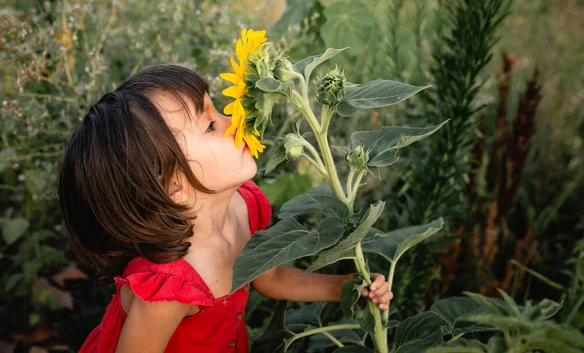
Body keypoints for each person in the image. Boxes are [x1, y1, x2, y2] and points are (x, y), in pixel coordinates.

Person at [57, 64, 393, 353]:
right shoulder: (169, 288)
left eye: (216, 109)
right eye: (210, 125)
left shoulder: (245, 205)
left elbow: (269, 277)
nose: (232, 119)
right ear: (172, 185)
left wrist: (347, 287)